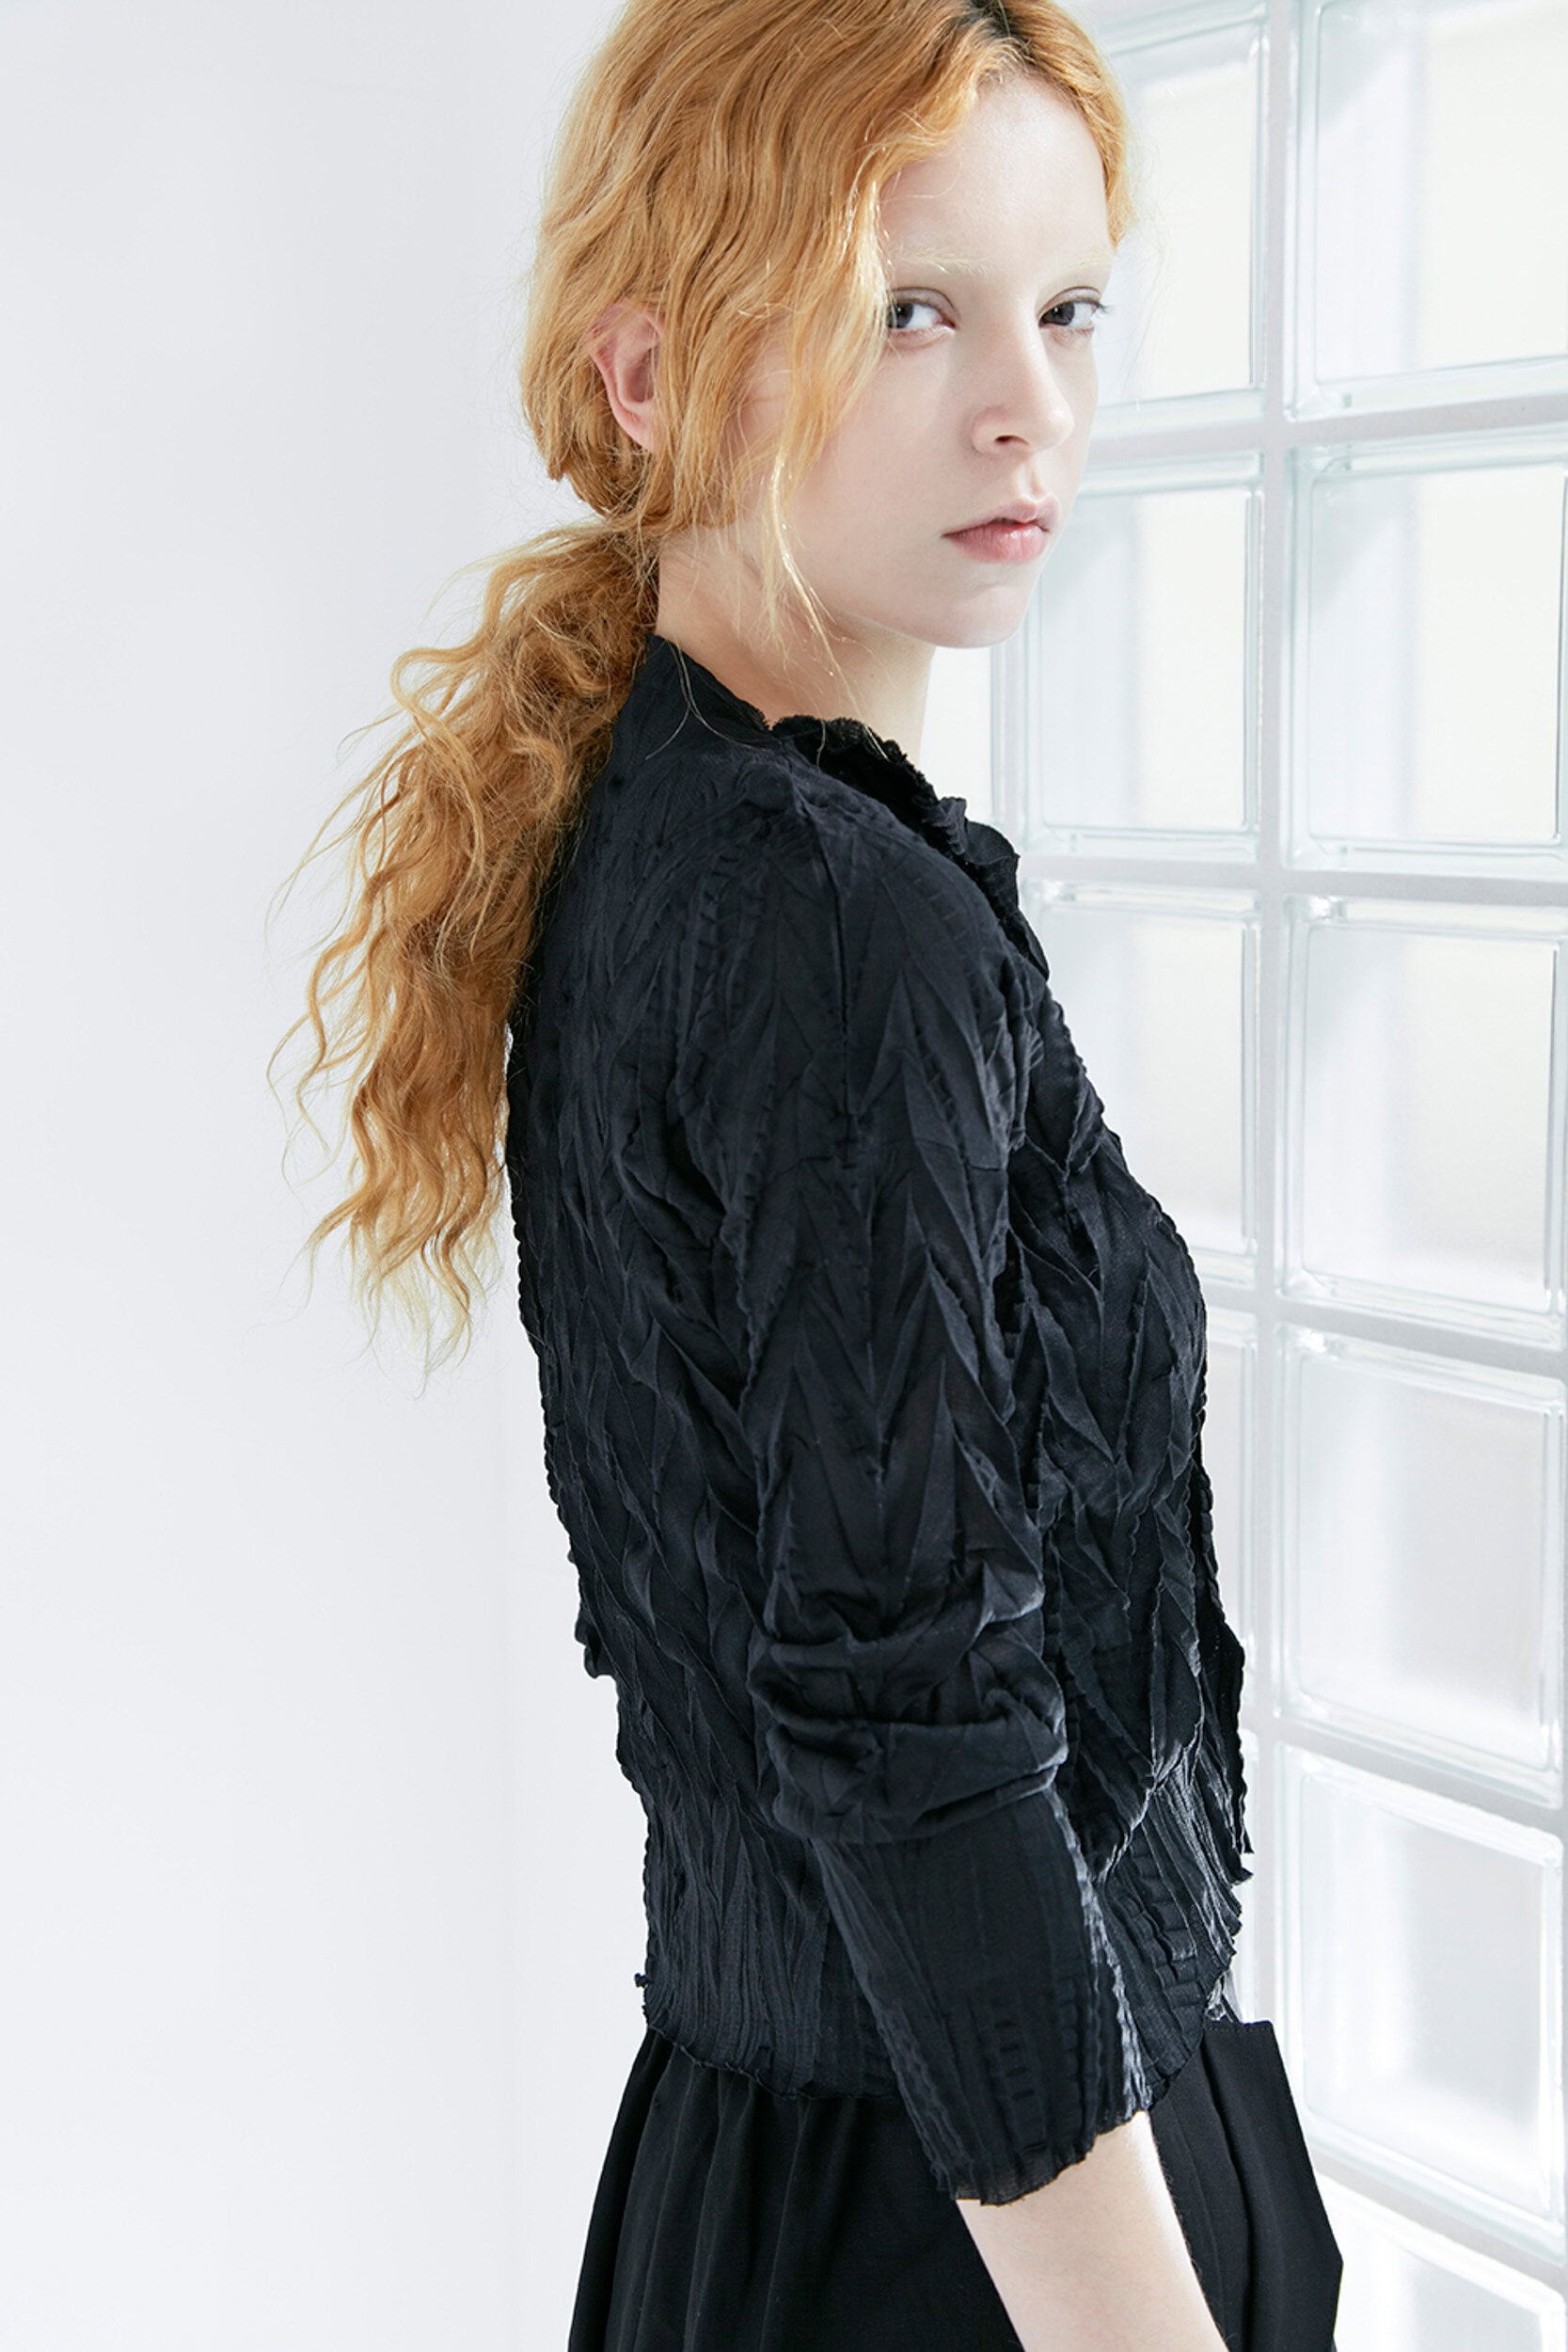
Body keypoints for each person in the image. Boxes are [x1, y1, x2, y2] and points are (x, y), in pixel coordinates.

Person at [277, 0, 1345, 2343]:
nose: (1027, 405)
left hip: (784, 2171)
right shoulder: (836, 922)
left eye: (1069, 310)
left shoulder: (668, 828)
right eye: (911, 312)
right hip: (974, 2239)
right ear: (652, 371)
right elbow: (911, 1726)